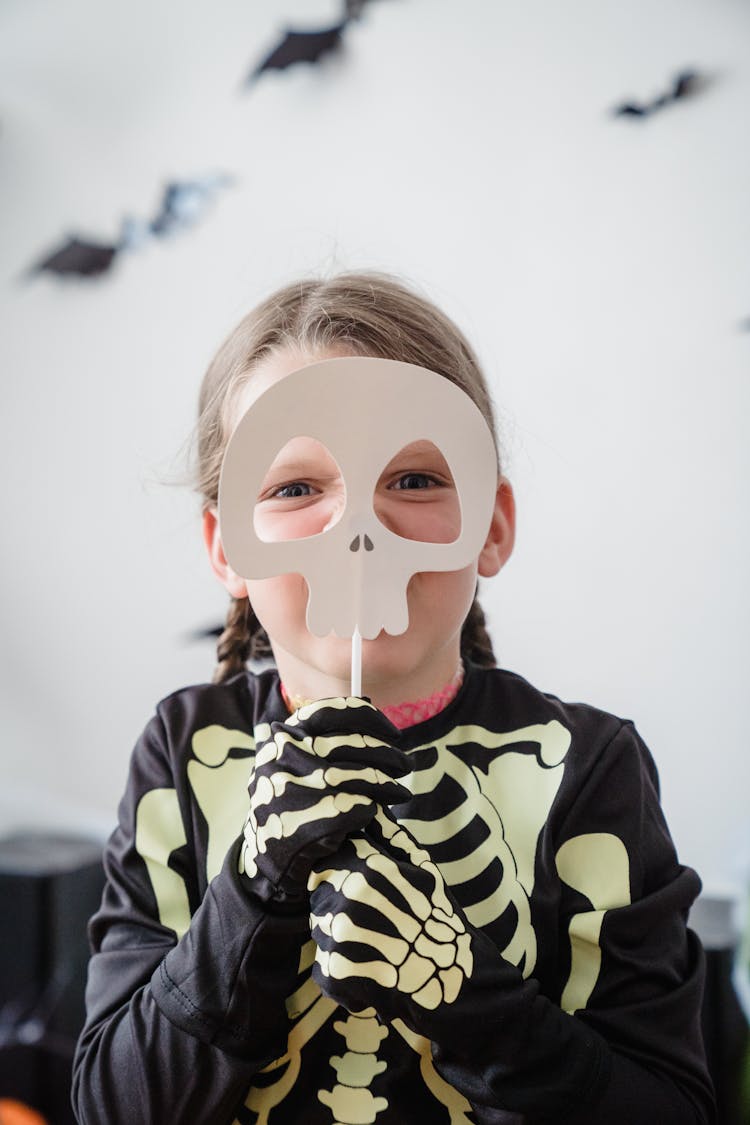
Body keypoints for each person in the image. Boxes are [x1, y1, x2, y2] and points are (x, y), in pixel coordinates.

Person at [72, 272, 715, 1124]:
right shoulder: (187, 751)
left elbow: (667, 1107)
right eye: (296, 488)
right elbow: (113, 1108)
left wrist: (464, 993)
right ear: (224, 544)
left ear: (491, 524)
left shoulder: (585, 768)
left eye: (414, 479)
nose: (361, 533)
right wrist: (253, 891)